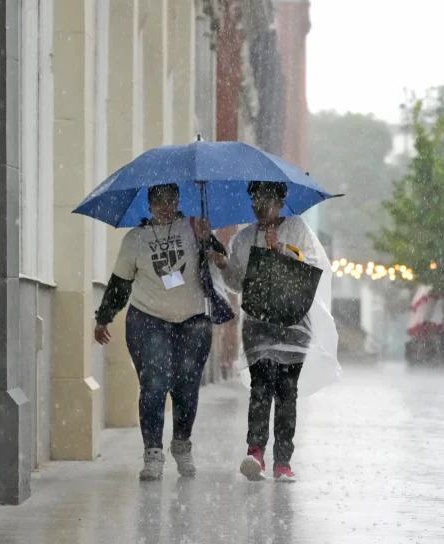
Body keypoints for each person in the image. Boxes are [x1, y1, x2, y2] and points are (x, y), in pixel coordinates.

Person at [94, 183, 229, 481]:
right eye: (158, 201)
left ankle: (181, 444)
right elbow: (120, 284)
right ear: (149, 204)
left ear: (179, 200)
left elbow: (221, 259)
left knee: (186, 387)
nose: (165, 206)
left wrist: (209, 241)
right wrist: (103, 317)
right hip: (148, 319)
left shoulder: (194, 226)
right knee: (154, 384)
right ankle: (152, 452)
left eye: (171, 200)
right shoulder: (135, 239)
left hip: (192, 320)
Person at [210, 180, 338, 482]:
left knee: (286, 392)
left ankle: (283, 460)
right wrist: (225, 266)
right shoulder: (243, 238)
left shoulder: (297, 229)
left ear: (281, 202)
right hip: (257, 323)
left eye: (266, 200)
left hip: (293, 323)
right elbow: (237, 283)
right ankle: (255, 452)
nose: (260, 206)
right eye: (255, 199)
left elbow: (313, 269)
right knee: (260, 388)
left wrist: (281, 251)